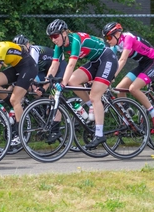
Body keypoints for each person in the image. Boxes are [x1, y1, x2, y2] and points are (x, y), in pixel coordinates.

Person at [45, 19, 118, 148]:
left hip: (107, 58)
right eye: (51, 37)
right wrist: (46, 81)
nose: (53, 40)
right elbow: (54, 65)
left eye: (55, 36)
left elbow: (71, 64)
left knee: (95, 95)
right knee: (73, 81)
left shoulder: (75, 40)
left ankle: (99, 134)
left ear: (64, 33)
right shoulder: (58, 46)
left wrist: (62, 83)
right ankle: (91, 106)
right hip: (94, 62)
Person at [102, 22, 154, 134]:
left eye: (109, 37)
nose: (107, 40)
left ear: (117, 34)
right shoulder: (116, 45)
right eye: (106, 37)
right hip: (142, 65)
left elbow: (122, 60)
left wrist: (112, 76)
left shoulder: (128, 38)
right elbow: (110, 61)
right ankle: (128, 116)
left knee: (133, 88)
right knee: (119, 88)